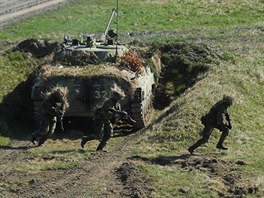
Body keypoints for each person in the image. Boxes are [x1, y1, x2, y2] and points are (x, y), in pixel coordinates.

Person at [81, 86, 133, 151]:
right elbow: (109, 109)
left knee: (109, 134)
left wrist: (124, 116)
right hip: (100, 118)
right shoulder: (109, 102)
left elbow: (117, 113)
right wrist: (119, 112)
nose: (118, 100)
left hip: (106, 119)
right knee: (99, 135)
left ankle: (100, 148)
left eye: (119, 99)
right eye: (117, 98)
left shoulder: (117, 105)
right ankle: (86, 138)